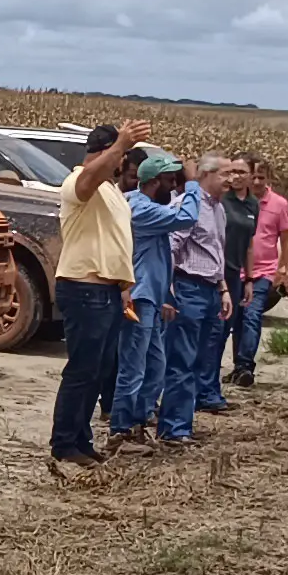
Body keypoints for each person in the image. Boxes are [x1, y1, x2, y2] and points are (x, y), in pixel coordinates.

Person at [46, 120, 145, 472]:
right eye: (120, 156)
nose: (123, 164)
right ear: (108, 153)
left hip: (106, 290)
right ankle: (64, 443)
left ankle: (80, 440)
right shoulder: (79, 181)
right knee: (82, 370)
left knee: (99, 370)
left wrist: (123, 289)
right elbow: (89, 178)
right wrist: (121, 144)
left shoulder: (112, 191)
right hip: (83, 287)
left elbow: (114, 245)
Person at [110, 150, 205, 446]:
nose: (175, 185)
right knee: (133, 368)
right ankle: (121, 428)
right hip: (139, 297)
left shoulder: (148, 206)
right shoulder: (140, 209)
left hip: (151, 296)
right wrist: (191, 184)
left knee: (155, 368)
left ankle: (137, 422)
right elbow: (187, 216)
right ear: (154, 182)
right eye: (170, 180)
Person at [173, 154, 233, 422]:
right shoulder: (190, 205)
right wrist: (168, 288)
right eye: (225, 174)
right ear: (206, 175)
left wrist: (223, 289)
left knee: (206, 357)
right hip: (189, 287)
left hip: (210, 290)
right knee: (182, 360)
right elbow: (171, 247)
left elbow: (215, 251)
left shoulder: (219, 209)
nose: (231, 180)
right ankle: (176, 426)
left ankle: (190, 416)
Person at [223, 155, 288, 386]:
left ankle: (245, 366)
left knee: (251, 316)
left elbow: (286, 240)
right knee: (236, 320)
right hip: (233, 271)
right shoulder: (229, 201)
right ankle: (239, 367)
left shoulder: (277, 204)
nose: (258, 182)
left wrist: (284, 270)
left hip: (262, 272)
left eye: (261, 177)